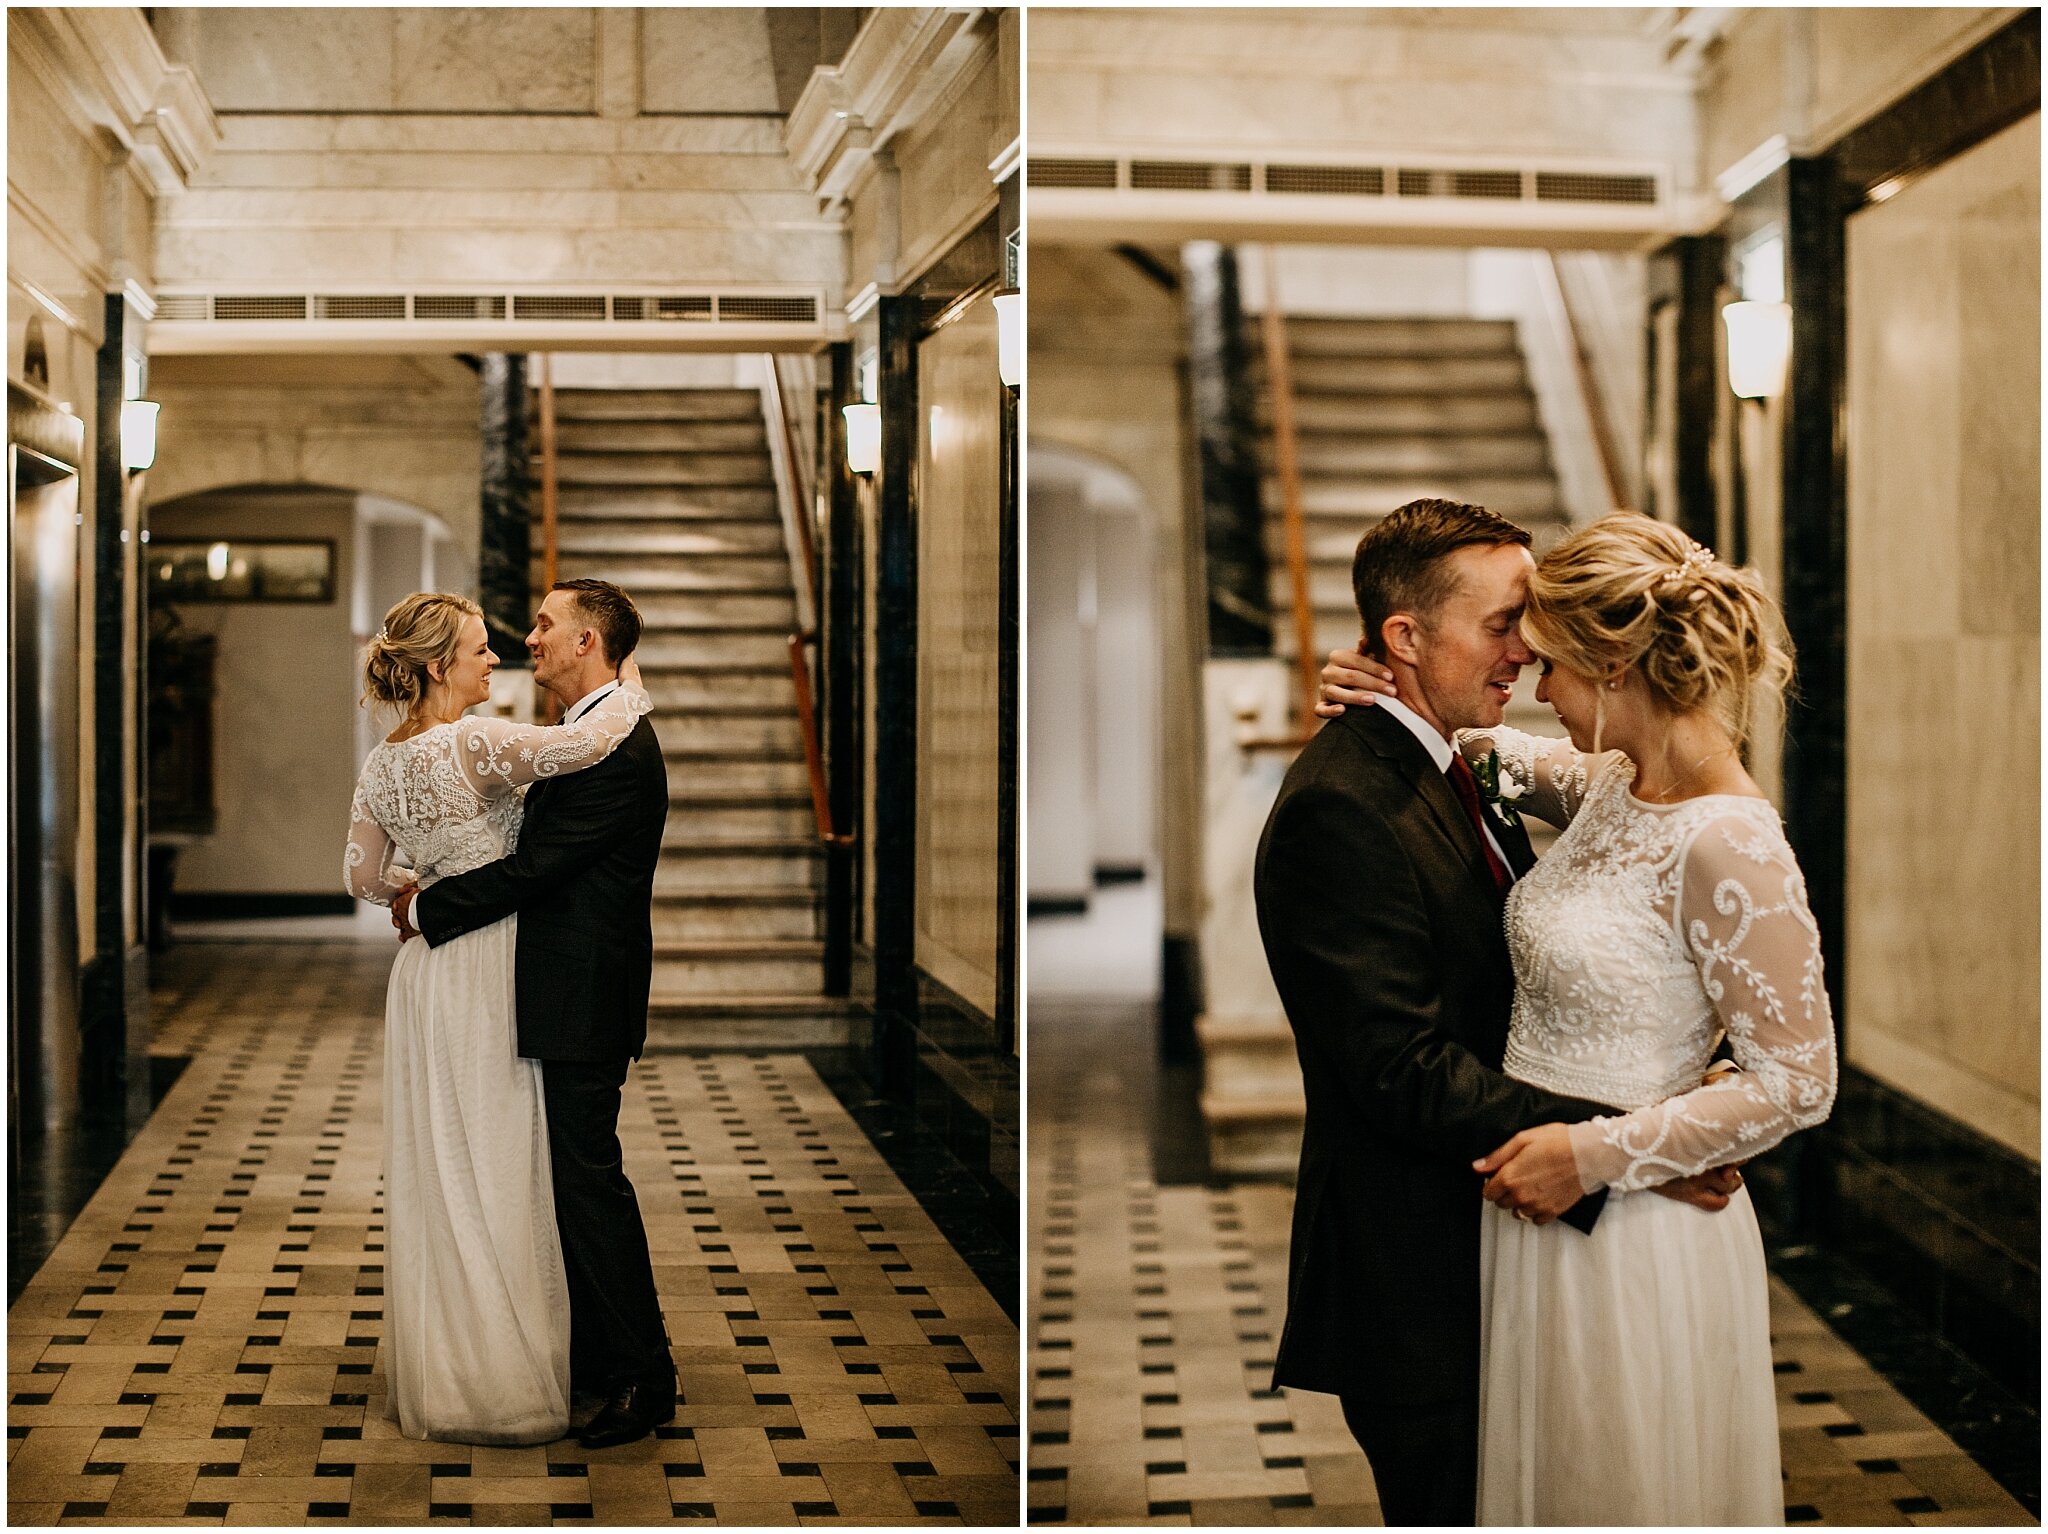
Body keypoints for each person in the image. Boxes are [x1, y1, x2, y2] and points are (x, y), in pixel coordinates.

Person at [1319, 510, 1837, 1525]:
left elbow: (1799, 1078)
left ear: (1610, 668)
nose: (1531, 681)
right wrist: (1365, 685)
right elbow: (1459, 743)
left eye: (1548, 660)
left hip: (1633, 1225)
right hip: (1532, 1218)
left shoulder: (1729, 838)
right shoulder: (1601, 782)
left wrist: (1594, 1155)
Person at [344, 589, 652, 1445]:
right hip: (486, 965)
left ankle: (461, 1355)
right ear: (441, 665)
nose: (504, 656)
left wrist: (418, 893)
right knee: (498, 1163)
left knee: (447, 1162)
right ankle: (511, 1365)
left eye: (521, 636)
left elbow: (363, 880)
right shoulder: (478, 741)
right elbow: (586, 740)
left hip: (427, 973)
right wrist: (628, 681)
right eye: (481, 650)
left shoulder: (383, 761)